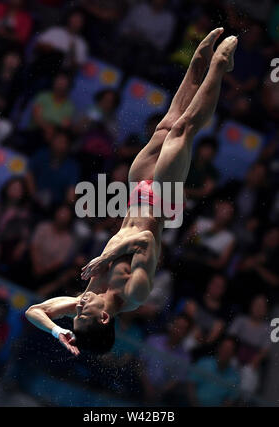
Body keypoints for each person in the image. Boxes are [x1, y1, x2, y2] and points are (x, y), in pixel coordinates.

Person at [26, 29, 238, 356]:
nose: (79, 305)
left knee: (166, 125)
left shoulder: (88, 298)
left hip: (136, 191)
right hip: (161, 200)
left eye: (75, 313)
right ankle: (220, 65)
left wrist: (57, 332)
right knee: (183, 131)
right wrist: (108, 256)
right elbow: (147, 241)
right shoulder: (134, 293)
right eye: (83, 313)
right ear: (105, 316)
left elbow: (34, 311)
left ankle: (197, 61)